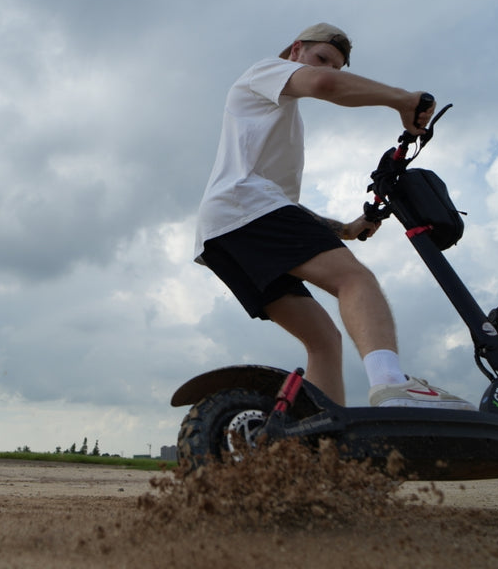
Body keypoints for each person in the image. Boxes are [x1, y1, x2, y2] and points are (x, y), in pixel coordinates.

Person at [194, 23, 474, 411]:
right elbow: (325, 84)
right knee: (354, 280)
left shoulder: (275, 115)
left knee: (324, 340)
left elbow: (282, 206)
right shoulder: (265, 71)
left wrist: (347, 228)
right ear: (296, 50)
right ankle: (391, 384)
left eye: (337, 66)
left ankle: (321, 441)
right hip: (244, 209)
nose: (328, 69)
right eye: (322, 58)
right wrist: (403, 100)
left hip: (223, 233)